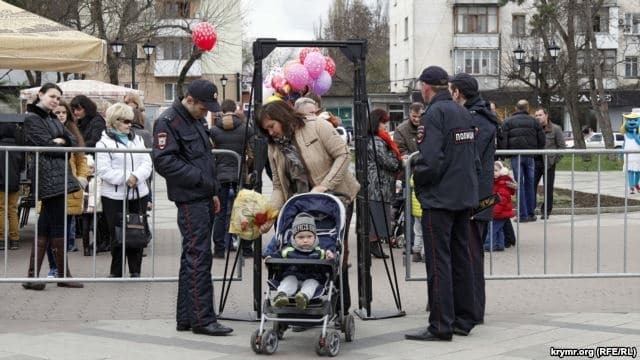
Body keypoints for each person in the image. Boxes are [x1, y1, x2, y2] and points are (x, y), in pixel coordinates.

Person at [256, 99, 360, 315]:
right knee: (299, 252)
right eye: (266, 130)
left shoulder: (316, 126)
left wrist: (325, 186)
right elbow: (278, 186)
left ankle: (340, 307)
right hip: (301, 204)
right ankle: (303, 306)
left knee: (332, 249)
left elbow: (343, 155)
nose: (271, 132)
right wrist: (270, 215)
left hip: (334, 199)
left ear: (283, 118)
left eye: (272, 126)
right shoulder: (274, 146)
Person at [152, 79, 233, 336]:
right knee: (199, 257)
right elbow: (164, 162)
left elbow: (204, 158)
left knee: (194, 257)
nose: (206, 111)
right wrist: (201, 182)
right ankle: (203, 319)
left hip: (203, 195)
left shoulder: (194, 120)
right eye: (203, 106)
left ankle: (187, 317)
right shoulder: (168, 121)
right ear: (189, 99)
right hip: (190, 197)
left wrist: (212, 191)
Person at [404, 66, 478, 342]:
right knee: (461, 258)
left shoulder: (434, 114)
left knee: (438, 262)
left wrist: (418, 180)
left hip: (440, 198)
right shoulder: (462, 111)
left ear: (426, 87)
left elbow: (431, 159)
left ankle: (440, 324)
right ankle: (464, 318)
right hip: (463, 196)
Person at [22, 83, 83, 290]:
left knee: (47, 223)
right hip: (47, 177)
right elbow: (46, 146)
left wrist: (61, 141)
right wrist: (59, 143)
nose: (56, 100)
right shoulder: (33, 118)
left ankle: (33, 276)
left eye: (58, 98)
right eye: (52, 96)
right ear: (40, 95)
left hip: (58, 176)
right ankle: (61, 274)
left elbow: (73, 142)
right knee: (56, 223)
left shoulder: (50, 117)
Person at [449, 72, 498, 325]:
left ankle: (473, 311)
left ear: (458, 92)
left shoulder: (477, 119)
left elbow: (468, 154)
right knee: (470, 251)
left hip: (476, 197)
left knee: (471, 254)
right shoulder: (478, 115)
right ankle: (469, 308)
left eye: (451, 90)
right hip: (477, 194)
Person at [95, 103, 152, 278]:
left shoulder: (138, 139)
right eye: (126, 121)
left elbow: (147, 162)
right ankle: (116, 271)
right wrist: (127, 177)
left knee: (137, 232)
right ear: (114, 121)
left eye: (131, 121)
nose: (130, 124)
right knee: (117, 234)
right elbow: (103, 170)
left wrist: (136, 176)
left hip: (138, 193)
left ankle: (136, 271)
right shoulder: (102, 143)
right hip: (114, 195)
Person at [210, 99, 255, 258]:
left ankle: (219, 249)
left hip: (220, 175)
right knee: (244, 211)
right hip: (240, 174)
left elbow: (210, 154)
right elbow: (252, 153)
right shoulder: (246, 129)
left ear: (222, 111)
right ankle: (247, 249)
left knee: (220, 213)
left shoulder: (214, 130)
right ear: (235, 110)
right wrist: (249, 168)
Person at [270, 212, 335, 309]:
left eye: (309, 237)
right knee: (289, 280)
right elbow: (276, 255)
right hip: (292, 275)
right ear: (294, 238)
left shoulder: (320, 250)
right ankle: (282, 296)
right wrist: (269, 258)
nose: (305, 240)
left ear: (315, 237)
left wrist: (329, 256)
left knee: (311, 283)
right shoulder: (288, 249)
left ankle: (303, 298)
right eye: (301, 237)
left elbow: (329, 258)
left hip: (313, 277)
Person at [499, 100, 545, 223]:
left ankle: (522, 214)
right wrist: (538, 152)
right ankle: (531, 213)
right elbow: (542, 139)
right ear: (528, 108)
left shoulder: (508, 121)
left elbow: (503, 139)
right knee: (530, 184)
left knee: (519, 184)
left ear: (516, 108)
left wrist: (504, 154)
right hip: (530, 155)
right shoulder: (534, 121)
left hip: (515, 155)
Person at [53, 101, 89, 253]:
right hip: (52, 182)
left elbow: (81, 159)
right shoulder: (46, 130)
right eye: (57, 112)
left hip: (71, 182)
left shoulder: (73, 132)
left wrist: (81, 178)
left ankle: (68, 245)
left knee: (69, 220)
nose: (61, 115)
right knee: (53, 223)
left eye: (63, 112)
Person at [367, 108, 401, 259]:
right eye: (383, 122)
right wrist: (398, 159)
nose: (386, 126)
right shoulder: (378, 141)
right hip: (378, 184)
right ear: (376, 122)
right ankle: (373, 245)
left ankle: (373, 244)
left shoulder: (373, 139)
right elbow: (388, 162)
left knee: (376, 215)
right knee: (377, 216)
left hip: (375, 183)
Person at [394, 102, 425, 261]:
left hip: (426, 174)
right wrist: (419, 158)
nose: (417, 119)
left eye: (419, 116)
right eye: (414, 116)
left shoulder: (428, 124)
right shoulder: (401, 130)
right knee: (411, 212)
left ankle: (422, 246)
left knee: (423, 212)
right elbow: (400, 152)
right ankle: (412, 244)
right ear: (410, 114)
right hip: (409, 175)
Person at [533, 108, 566, 218]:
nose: (538, 117)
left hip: (548, 163)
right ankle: (530, 209)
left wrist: (554, 160)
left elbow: (562, 147)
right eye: (536, 115)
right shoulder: (533, 128)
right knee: (531, 187)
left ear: (546, 115)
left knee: (548, 188)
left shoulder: (556, 129)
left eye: (540, 115)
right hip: (535, 162)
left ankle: (546, 211)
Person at [0, 121, 24, 251]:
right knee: (12, 210)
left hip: (0, 182)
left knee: (1, 209)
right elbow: (22, 167)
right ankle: (15, 239)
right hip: (14, 182)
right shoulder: (18, 148)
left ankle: (1, 239)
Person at [485, 161, 516, 252]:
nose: (493, 173)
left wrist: (494, 212)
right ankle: (499, 245)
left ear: (502, 171)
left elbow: (501, 200)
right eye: (492, 170)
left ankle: (489, 245)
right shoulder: (497, 182)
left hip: (500, 213)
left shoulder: (502, 183)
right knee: (499, 230)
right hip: (501, 213)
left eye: (496, 170)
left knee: (491, 229)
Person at [620, 112, 640, 194]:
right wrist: (620, 154)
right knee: (630, 171)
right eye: (629, 120)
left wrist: (635, 135)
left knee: (638, 171)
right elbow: (624, 144)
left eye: (635, 120)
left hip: (638, 156)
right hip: (628, 156)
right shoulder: (625, 135)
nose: (632, 122)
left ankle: (636, 184)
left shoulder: (638, 134)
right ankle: (631, 187)